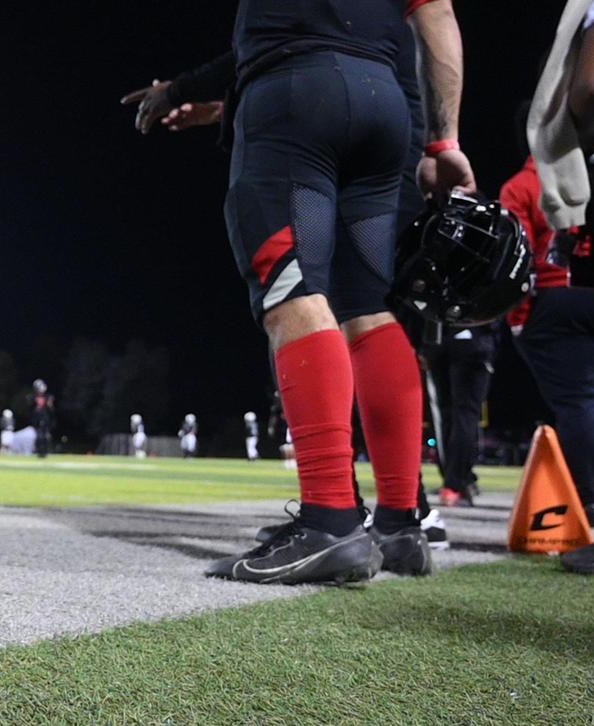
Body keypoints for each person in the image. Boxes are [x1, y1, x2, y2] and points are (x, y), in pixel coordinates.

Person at [126, 0, 472, 584]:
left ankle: (330, 520)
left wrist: (185, 89)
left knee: (294, 291)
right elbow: (436, 15)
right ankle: (401, 521)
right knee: (368, 309)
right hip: (383, 107)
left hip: (296, 102)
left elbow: (286, 34)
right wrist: (444, 143)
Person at [502, 154, 594, 527]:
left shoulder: (522, 186)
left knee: (576, 403)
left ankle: (589, 503)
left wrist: (519, 317)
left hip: (556, 299)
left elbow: (514, 260)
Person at [421, 324, 498, 506]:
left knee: (445, 415)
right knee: (466, 415)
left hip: (439, 339)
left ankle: (455, 479)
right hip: (472, 338)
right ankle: (456, 483)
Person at [30, 379, 55, 458]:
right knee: (39, 436)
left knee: (46, 436)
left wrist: (50, 405)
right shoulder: (33, 397)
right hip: (37, 419)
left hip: (45, 419)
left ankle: (46, 451)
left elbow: (51, 410)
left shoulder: (48, 397)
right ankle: (39, 451)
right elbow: (31, 408)